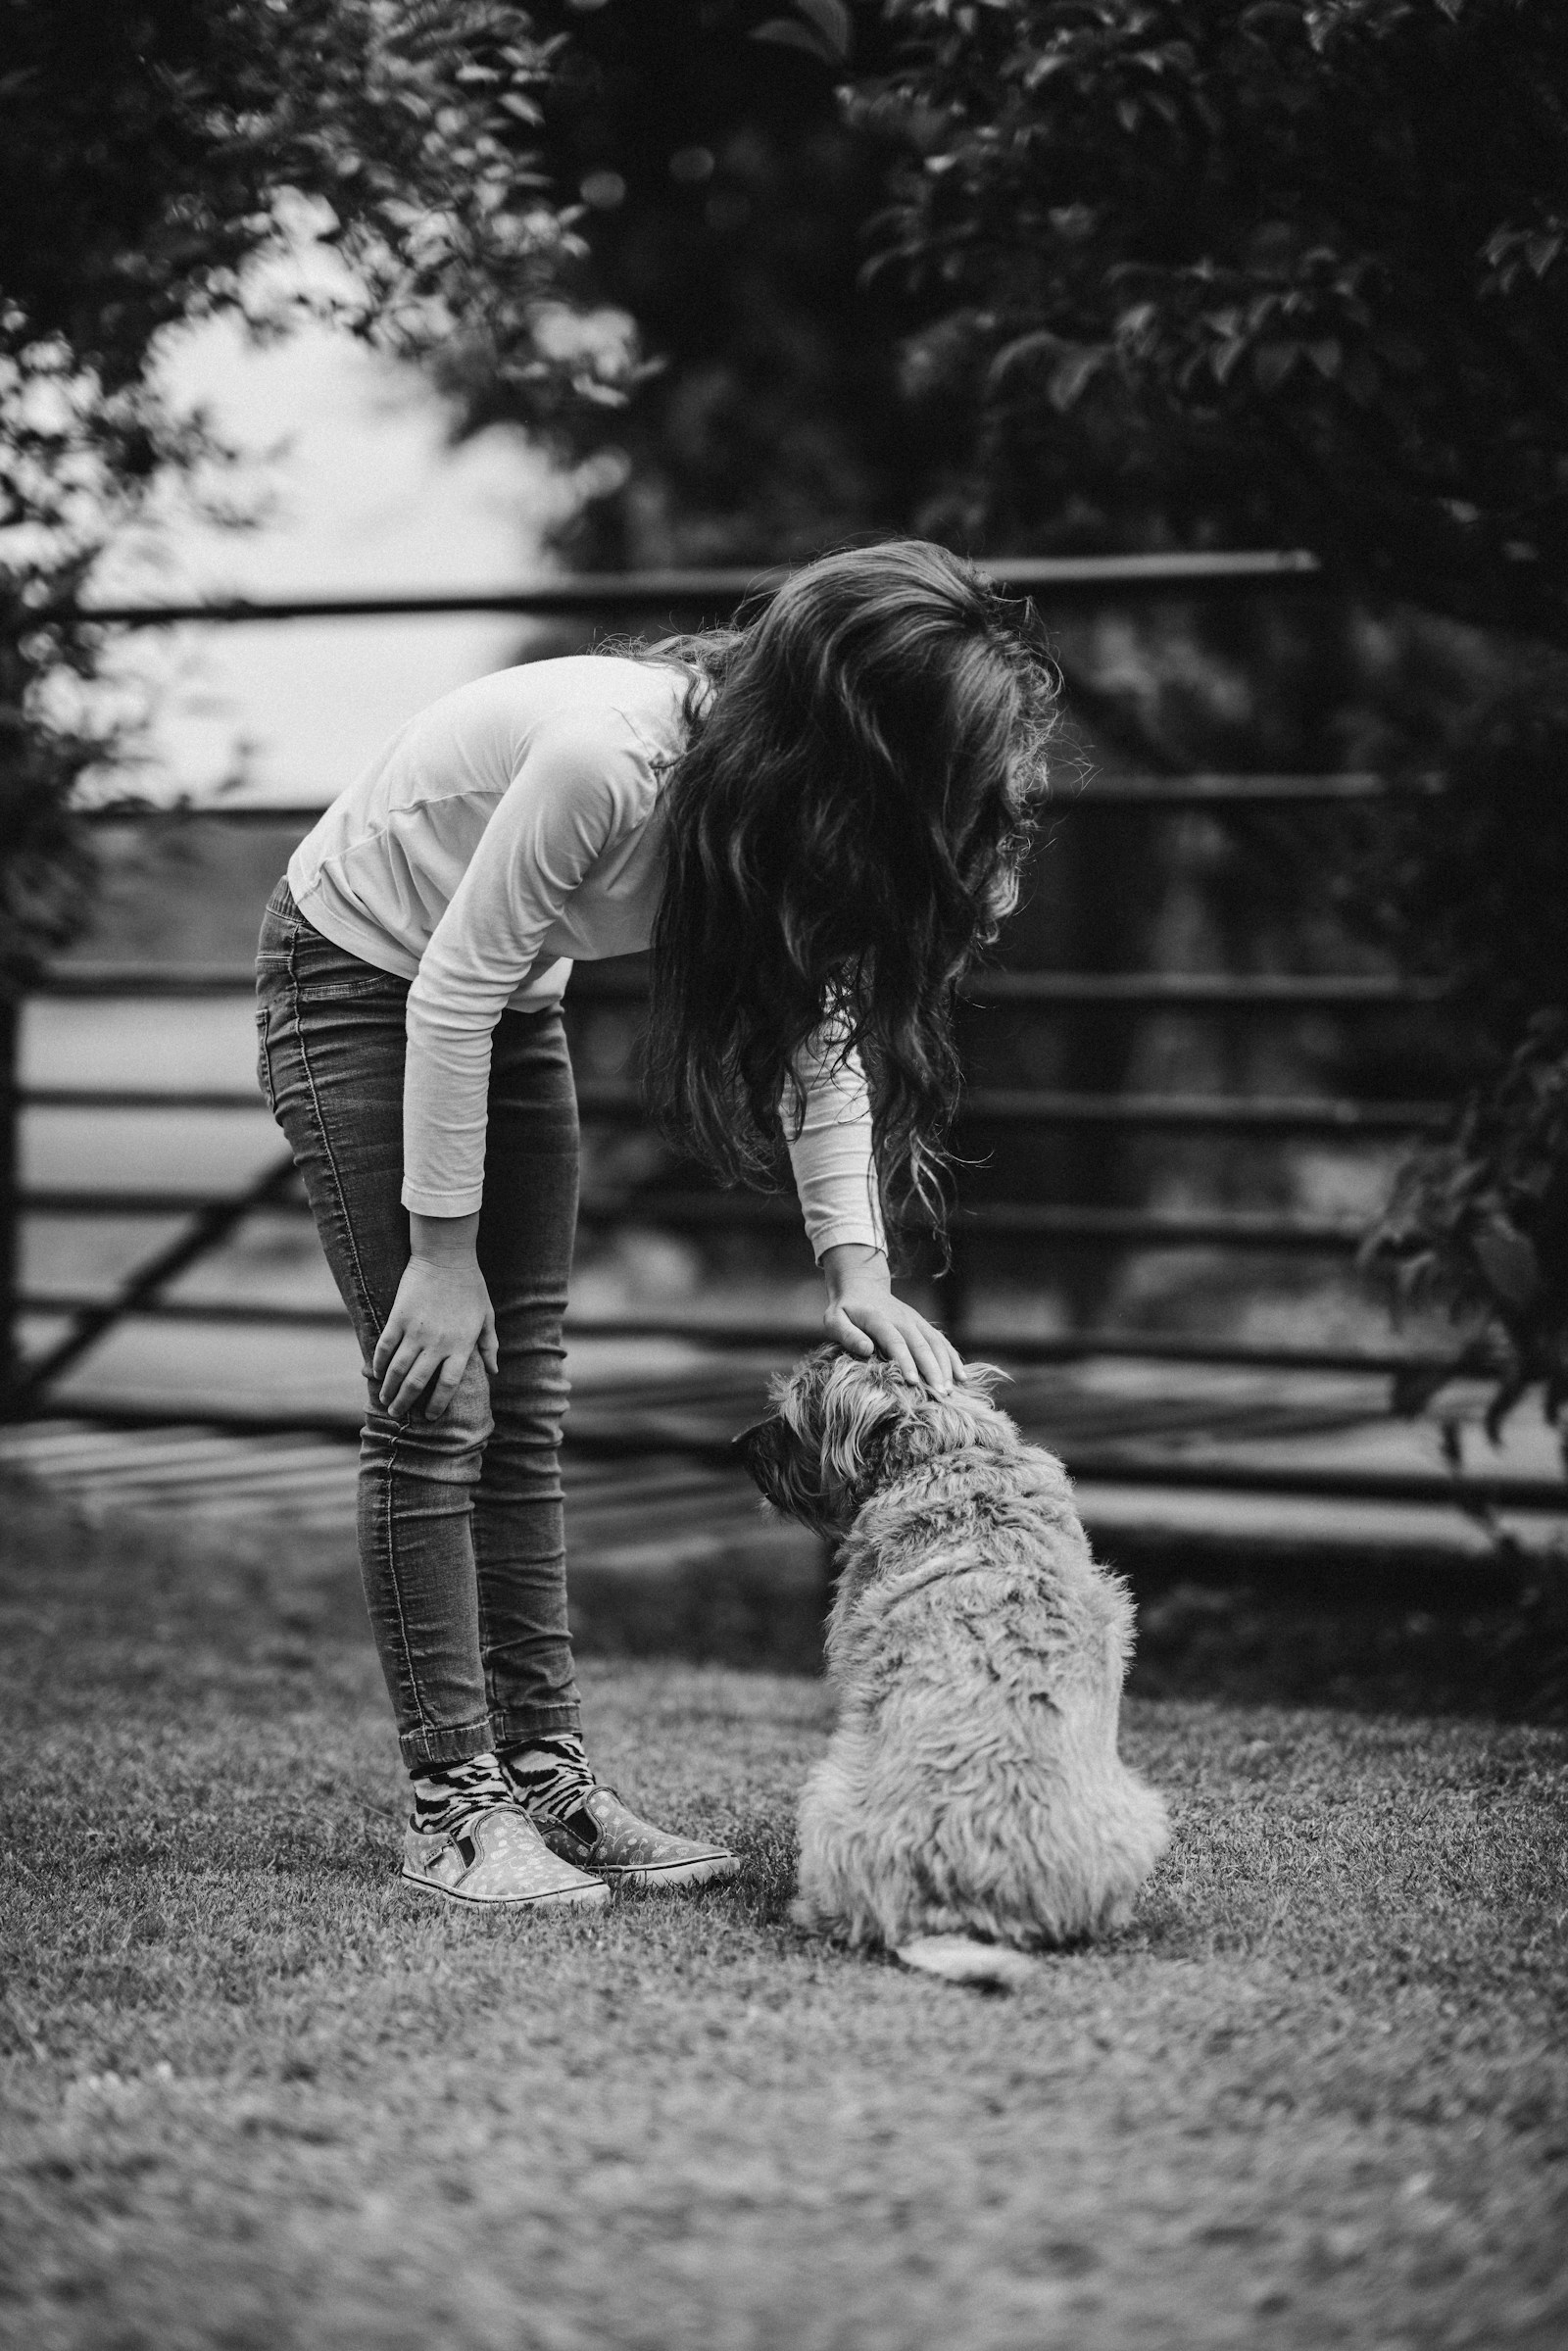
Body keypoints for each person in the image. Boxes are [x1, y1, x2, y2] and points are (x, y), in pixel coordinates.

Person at [254, 539, 1056, 1910]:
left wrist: (854, 1266)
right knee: (439, 1393)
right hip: (363, 974)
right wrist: (443, 1260)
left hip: (505, 1003)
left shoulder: (788, 810)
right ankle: (455, 1806)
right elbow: (446, 990)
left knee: (532, 1397)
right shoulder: (612, 759)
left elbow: (821, 1025)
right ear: (860, 733)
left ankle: (547, 1781)